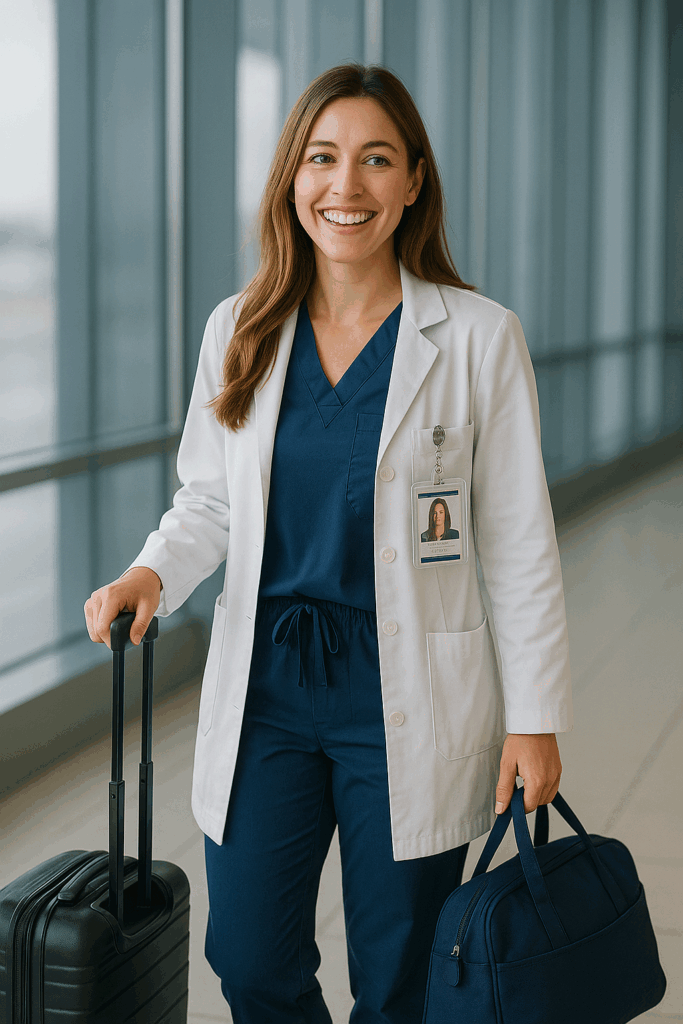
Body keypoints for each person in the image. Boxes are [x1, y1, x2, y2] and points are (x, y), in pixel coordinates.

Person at [84, 62, 572, 1023]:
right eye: (322, 157)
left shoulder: (475, 338)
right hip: (266, 688)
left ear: (413, 181)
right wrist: (151, 569)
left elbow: (518, 544)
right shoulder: (242, 328)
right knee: (248, 956)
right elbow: (210, 500)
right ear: (291, 178)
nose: (345, 186)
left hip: (409, 691)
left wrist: (535, 715)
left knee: (397, 977)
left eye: (375, 160)